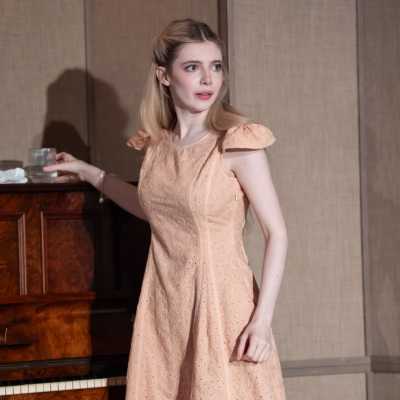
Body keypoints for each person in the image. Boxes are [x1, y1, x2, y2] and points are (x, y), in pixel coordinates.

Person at [44, 18, 288, 400]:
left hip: (221, 305)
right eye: (193, 67)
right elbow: (149, 209)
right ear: (164, 75)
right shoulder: (156, 148)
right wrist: (87, 171)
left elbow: (278, 234)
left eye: (216, 66)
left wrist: (262, 320)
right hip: (164, 305)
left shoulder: (238, 143)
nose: (208, 79)